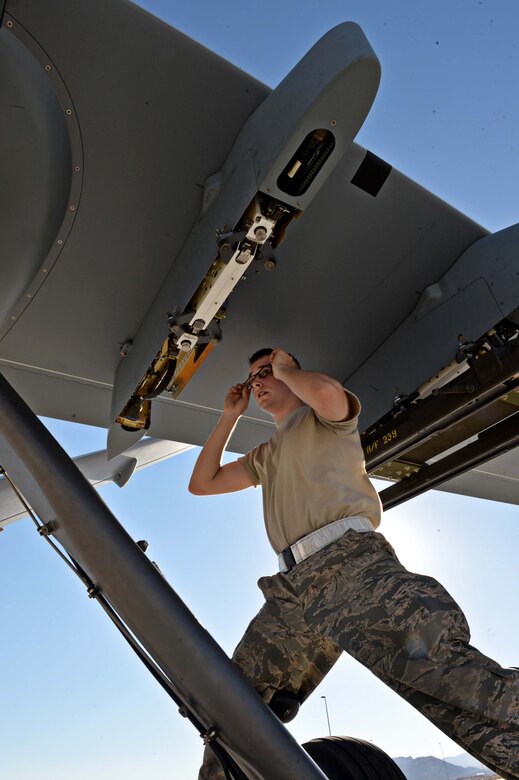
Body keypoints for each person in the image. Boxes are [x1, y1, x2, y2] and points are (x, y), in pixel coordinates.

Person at [189, 347, 519, 780]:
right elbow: (202, 483)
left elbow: (326, 390)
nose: (258, 383)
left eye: (266, 373)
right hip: (293, 587)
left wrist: (288, 369)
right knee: (234, 700)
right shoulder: (264, 456)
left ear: (290, 372)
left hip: (353, 565)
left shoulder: (326, 420)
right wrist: (230, 415)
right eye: (253, 378)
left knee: (446, 678)